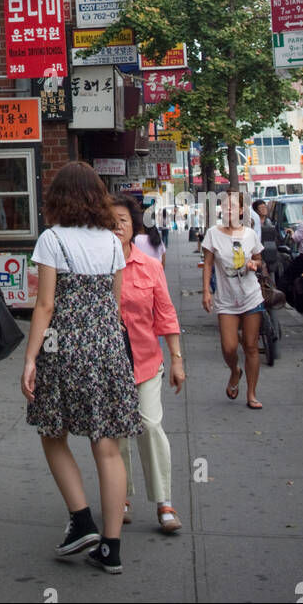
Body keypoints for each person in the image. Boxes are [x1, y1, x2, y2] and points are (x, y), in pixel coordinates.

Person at [21, 162, 142, 576]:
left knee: (53, 432)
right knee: (107, 445)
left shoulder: (52, 240)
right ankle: (111, 548)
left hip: (65, 347)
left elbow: (45, 305)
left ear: (59, 198)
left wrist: (31, 357)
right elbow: (116, 302)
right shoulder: (112, 242)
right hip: (108, 348)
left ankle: (81, 518)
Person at [111, 196, 185, 533]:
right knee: (117, 433)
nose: (117, 225)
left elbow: (166, 314)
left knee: (150, 425)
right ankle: (122, 495)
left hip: (145, 361)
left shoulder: (150, 266)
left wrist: (176, 360)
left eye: (123, 220)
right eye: (110, 220)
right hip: (109, 364)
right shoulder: (97, 267)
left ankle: (164, 501)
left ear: (134, 226)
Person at [201, 192, 264, 408]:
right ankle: (235, 371)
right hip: (226, 298)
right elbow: (208, 264)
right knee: (229, 347)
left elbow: (259, 259)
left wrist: (255, 265)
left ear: (240, 211)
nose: (228, 210)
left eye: (232, 206)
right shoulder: (213, 234)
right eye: (225, 206)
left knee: (251, 345)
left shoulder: (249, 234)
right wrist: (206, 292)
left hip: (251, 296)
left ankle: (252, 394)